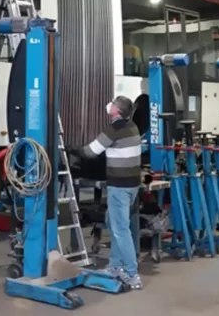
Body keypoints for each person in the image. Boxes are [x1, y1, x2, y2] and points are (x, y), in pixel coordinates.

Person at [80, 95, 142, 290]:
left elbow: (91, 151)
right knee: (113, 222)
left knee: (121, 229)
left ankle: (132, 274)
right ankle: (115, 266)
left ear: (117, 110)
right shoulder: (132, 126)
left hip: (120, 187)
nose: (110, 105)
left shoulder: (114, 129)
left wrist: (72, 150)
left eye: (113, 103)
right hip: (132, 186)